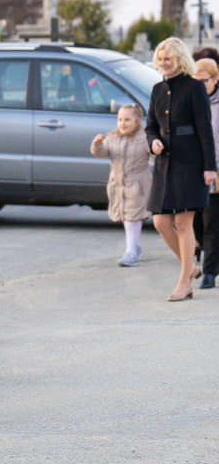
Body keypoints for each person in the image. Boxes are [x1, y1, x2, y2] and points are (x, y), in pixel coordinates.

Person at [145, 38, 217, 301]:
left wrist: (210, 167)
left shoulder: (195, 87)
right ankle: (191, 268)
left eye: (168, 58)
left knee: (183, 222)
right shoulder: (156, 90)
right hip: (165, 164)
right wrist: (152, 141)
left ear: (179, 59)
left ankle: (184, 282)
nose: (164, 63)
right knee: (161, 222)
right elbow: (150, 125)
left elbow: (205, 131)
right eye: (161, 59)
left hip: (191, 163)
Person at [90, 104, 152, 267]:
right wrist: (97, 145)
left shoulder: (144, 137)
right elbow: (102, 153)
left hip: (138, 184)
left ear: (138, 121)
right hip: (117, 184)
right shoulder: (112, 138)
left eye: (127, 120)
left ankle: (130, 252)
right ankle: (135, 246)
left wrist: (157, 147)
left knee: (133, 216)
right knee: (125, 216)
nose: (122, 123)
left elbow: (153, 154)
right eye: (119, 120)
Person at [193, 58, 219, 289]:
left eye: (204, 81)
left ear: (215, 79)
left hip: (215, 173)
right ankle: (210, 253)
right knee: (195, 223)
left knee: (211, 222)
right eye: (196, 81)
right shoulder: (191, 102)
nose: (200, 86)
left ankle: (210, 271)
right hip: (192, 172)